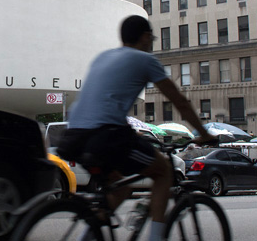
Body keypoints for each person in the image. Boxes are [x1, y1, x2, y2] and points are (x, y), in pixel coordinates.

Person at [57, 15, 216, 241]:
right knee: (163, 172)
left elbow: (101, 102)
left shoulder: (103, 57)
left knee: (120, 188)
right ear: (144, 37)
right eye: (151, 38)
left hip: (73, 138)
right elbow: (180, 101)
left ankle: (91, 232)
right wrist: (205, 133)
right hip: (106, 136)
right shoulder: (145, 60)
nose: (151, 42)